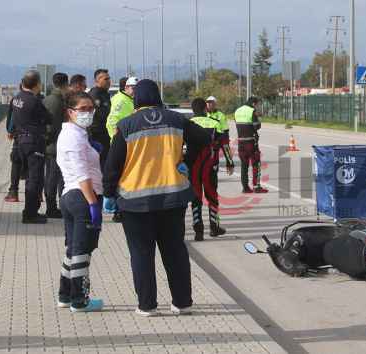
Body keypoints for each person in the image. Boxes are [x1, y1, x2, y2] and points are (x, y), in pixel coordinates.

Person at [101, 79, 211, 317]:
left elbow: (113, 164)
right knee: (175, 250)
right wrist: (187, 162)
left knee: (141, 253)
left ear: (136, 98)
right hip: (172, 197)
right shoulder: (176, 119)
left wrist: (108, 194)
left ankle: (147, 305)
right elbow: (205, 138)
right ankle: (183, 303)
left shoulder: (126, 124)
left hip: (135, 200)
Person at [56, 90, 104, 312]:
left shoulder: (77, 133)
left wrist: (92, 149)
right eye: (82, 109)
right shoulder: (74, 135)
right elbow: (81, 172)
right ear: (70, 112)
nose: (87, 113)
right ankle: (80, 300)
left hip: (71, 196)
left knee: (73, 250)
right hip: (82, 196)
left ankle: (66, 296)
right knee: (82, 252)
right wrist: (93, 203)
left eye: (90, 108)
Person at [187, 97, 234, 241]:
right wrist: (230, 162)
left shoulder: (187, 125)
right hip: (210, 166)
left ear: (193, 111)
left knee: (195, 199)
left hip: (192, 168)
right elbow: (225, 143)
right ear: (205, 110)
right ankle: (214, 228)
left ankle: (198, 232)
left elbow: (179, 147)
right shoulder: (214, 123)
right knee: (212, 196)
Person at [12, 70, 54, 224]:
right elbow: (50, 118)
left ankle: (30, 210)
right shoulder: (34, 100)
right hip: (34, 141)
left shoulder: (17, 98)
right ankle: (30, 213)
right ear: (38, 84)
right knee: (36, 178)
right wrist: (41, 119)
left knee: (30, 177)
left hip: (22, 141)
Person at [105, 76, 137, 223]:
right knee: (120, 178)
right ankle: (118, 210)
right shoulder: (121, 100)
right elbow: (112, 121)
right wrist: (117, 140)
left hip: (131, 144)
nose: (135, 91)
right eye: (132, 88)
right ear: (126, 88)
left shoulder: (130, 100)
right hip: (123, 145)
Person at [42, 73, 69, 218]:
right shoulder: (56, 101)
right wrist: (46, 141)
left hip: (51, 144)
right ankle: (51, 207)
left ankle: (51, 205)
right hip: (54, 144)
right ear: (66, 86)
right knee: (54, 175)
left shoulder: (49, 98)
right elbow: (51, 126)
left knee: (50, 176)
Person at [234, 96, 267, 193]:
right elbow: (256, 126)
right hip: (251, 142)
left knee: (244, 165)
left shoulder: (237, 111)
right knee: (256, 163)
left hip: (240, 142)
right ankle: (256, 187)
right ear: (254, 103)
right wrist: (259, 123)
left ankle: (245, 187)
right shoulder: (252, 111)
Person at [88, 69, 111, 171]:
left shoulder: (105, 94)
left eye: (109, 79)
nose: (109, 81)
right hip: (96, 134)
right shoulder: (95, 95)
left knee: (105, 163)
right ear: (97, 81)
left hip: (104, 133)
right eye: (105, 79)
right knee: (98, 164)